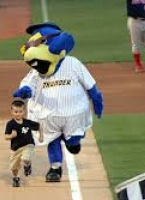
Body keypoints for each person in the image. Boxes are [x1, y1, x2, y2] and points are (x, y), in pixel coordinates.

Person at [13, 22, 103, 182]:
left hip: (73, 113)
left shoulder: (73, 63)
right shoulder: (37, 69)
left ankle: (72, 140)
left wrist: (97, 101)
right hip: (49, 114)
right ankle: (55, 168)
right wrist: (25, 90)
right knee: (52, 139)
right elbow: (28, 83)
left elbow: (91, 85)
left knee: (73, 145)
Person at [4, 100, 43, 187]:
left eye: (20, 111)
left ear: (24, 111)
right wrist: (11, 136)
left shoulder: (27, 122)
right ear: (12, 112)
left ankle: (27, 165)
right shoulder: (10, 124)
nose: (18, 114)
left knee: (26, 158)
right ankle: (16, 178)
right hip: (16, 148)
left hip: (28, 145)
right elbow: (6, 136)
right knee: (14, 167)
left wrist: (41, 136)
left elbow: (39, 126)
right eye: (16, 111)